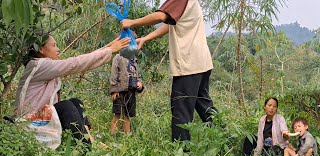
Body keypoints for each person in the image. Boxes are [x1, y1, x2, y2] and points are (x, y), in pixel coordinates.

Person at [121, 0, 217, 142]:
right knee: (204, 105)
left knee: (181, 111)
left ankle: (181, 153)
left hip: (188, 65)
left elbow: (160, 16)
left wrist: (132, 22)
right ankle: (225, 137)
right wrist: (146, 38)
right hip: (200, 63)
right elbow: (170, 25)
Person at [14, 34, 130, 144]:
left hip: (42, 118)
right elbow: (74, 63)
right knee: (66, 106)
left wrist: (109, 47)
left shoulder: (41, 65)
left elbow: (84, 58)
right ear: (41, 49)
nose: (58, 49)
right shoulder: (39, 65)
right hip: (29, 123)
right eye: (53, 45)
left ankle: (89, 138)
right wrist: (110, 50)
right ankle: (86, 148)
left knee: (75, 102)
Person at [109, 52, 144, 135]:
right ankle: (112, 135)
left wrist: (140, 84)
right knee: (117, 113)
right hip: (120, 91)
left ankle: (127, 137)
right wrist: (114, 90)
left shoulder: (134, 60)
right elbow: (114, 74)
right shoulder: (118, 57)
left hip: (131, 91)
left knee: (127, 115)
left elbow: (137, 75)